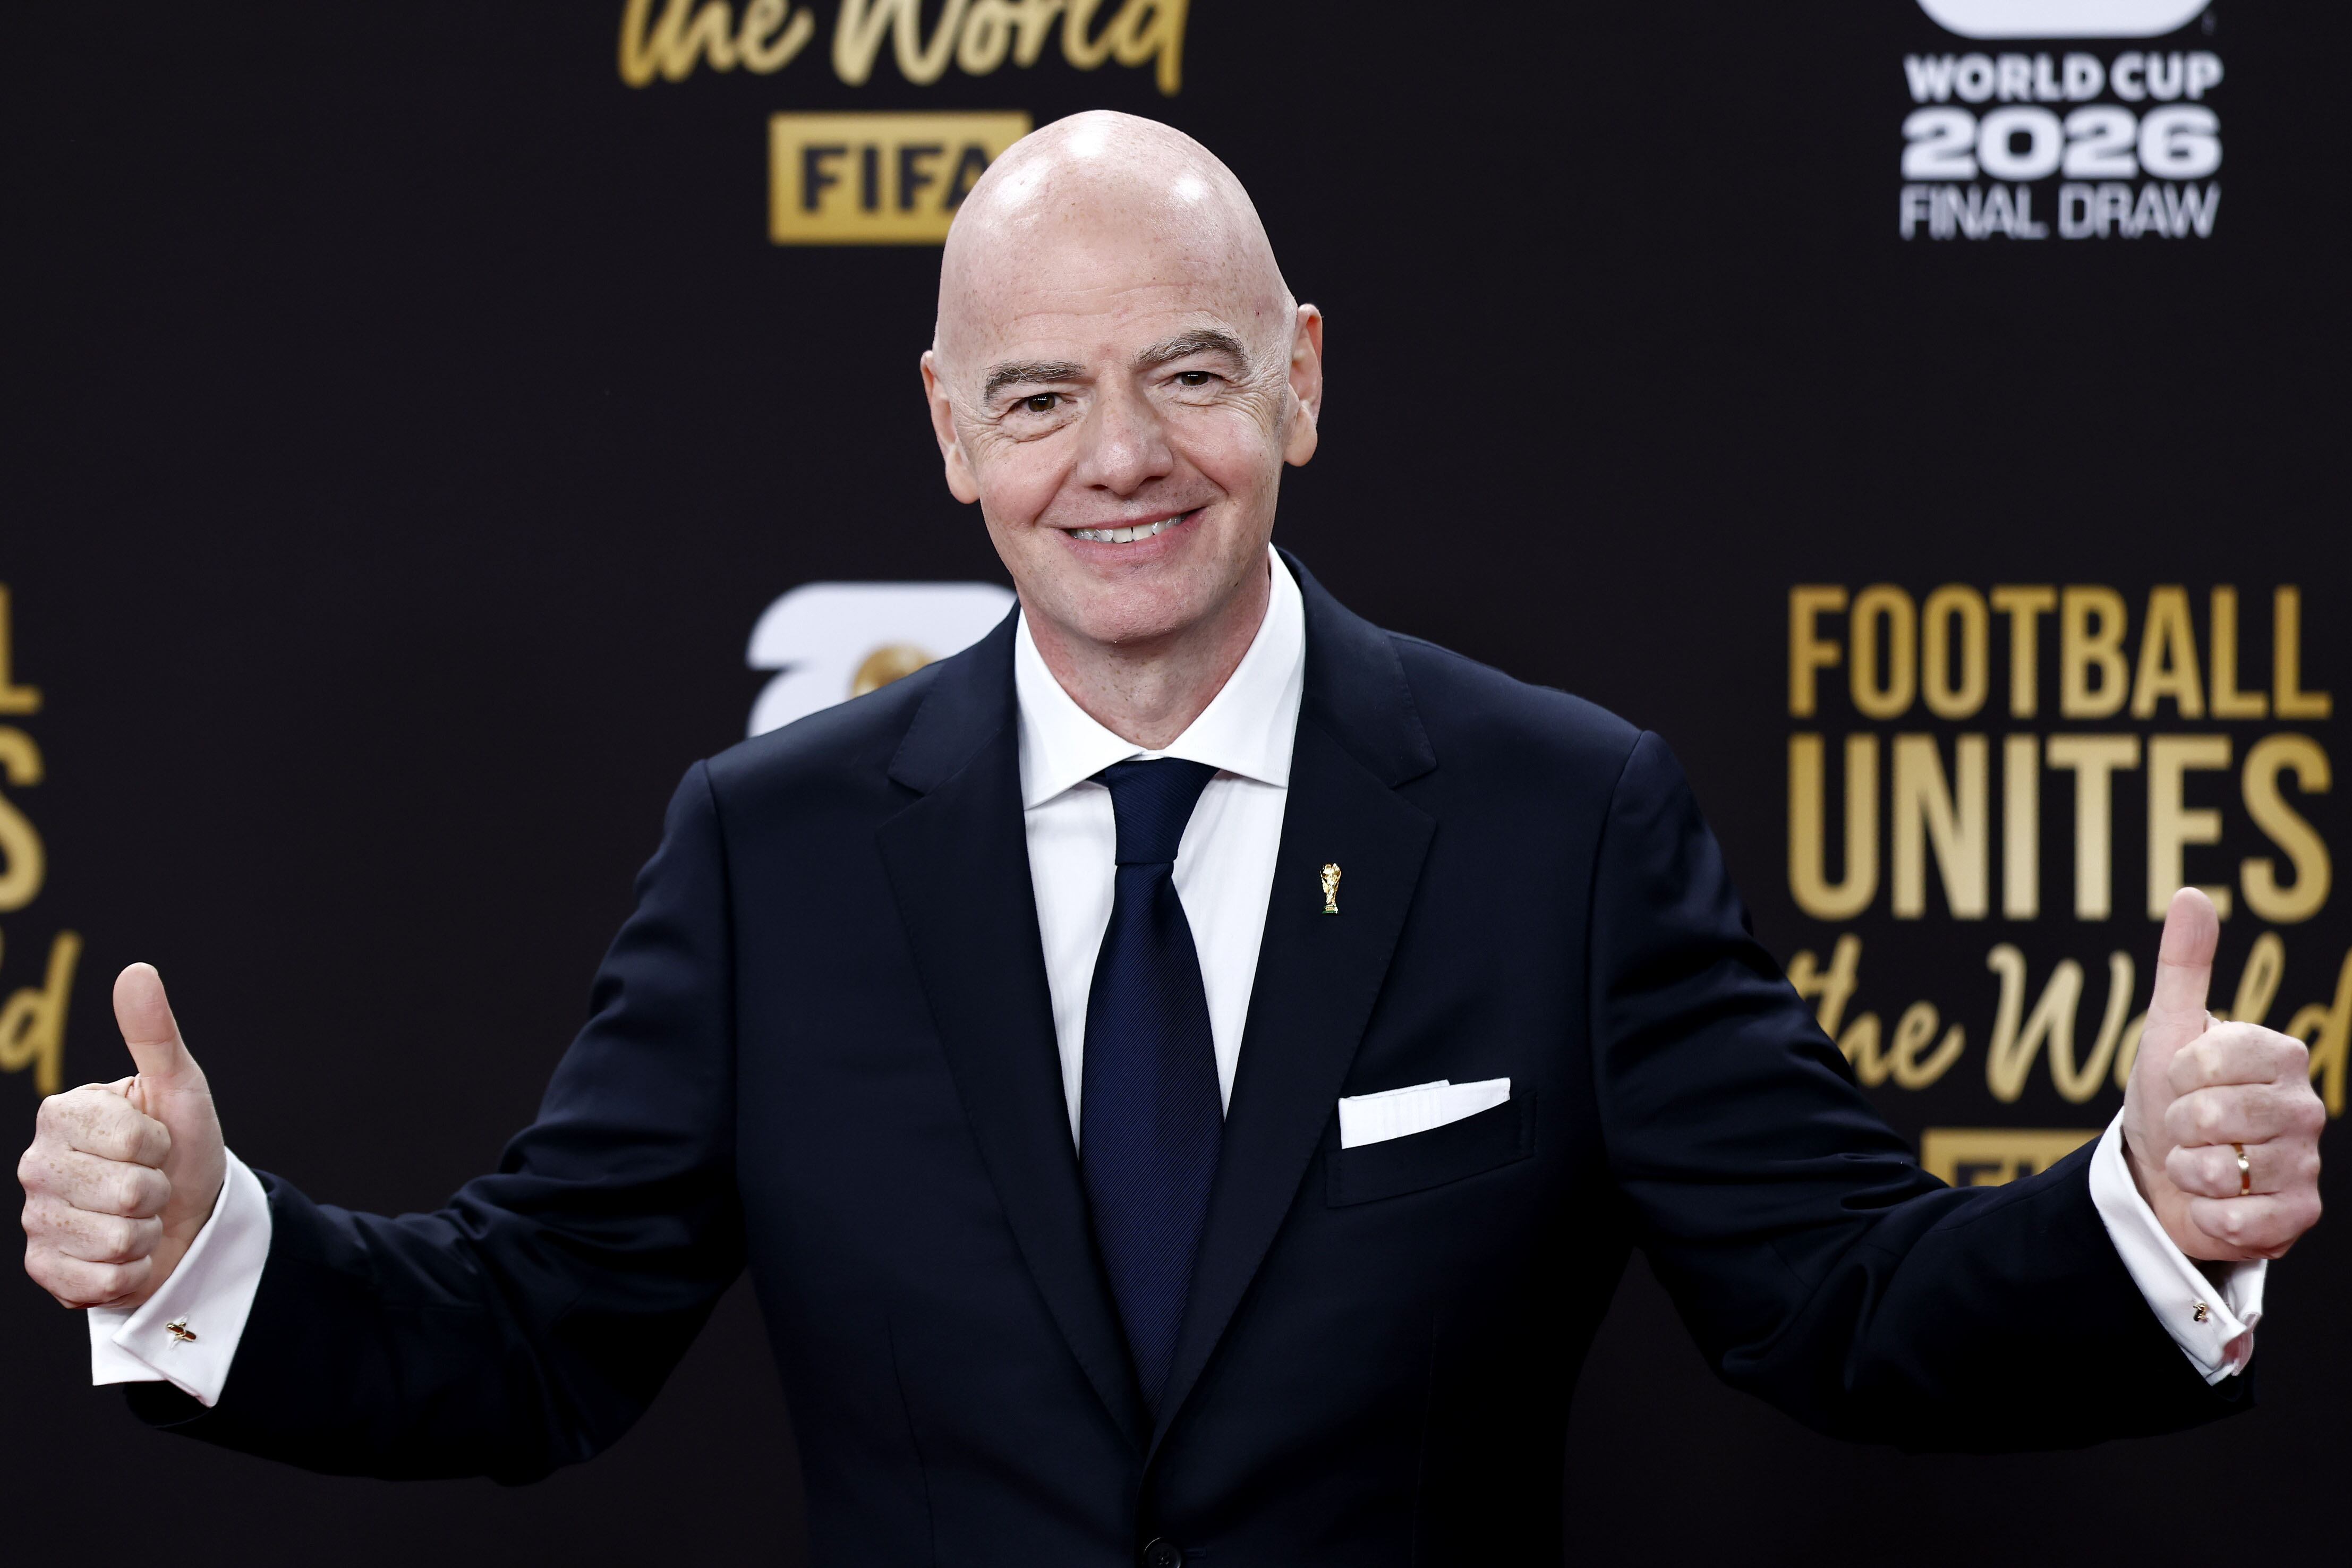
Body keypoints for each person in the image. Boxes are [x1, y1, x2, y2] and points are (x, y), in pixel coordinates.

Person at [18, 112, 2325, 1566]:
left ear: (1300, 379)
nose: (1121, 459)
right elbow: (526, 1338)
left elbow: (1843, 1305)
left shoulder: (1559, 819)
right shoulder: (774, 855)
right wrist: (213, 1245)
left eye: (1189, 375)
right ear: (952, 435)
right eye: (1042, 396)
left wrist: (2135, 1208)